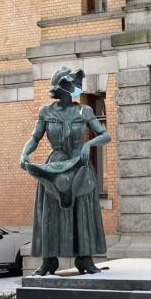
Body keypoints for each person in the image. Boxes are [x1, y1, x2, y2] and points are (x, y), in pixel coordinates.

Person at [20, 67, 110, 276]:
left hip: (80, 165)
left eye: (79, 85)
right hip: (56, 165)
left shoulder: (84, 111)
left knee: (82, 211)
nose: (78, 88)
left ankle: (85, 259)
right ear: (62, 88)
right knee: (51, 213)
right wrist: (24, 154)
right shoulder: (46, 112)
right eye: (74, 85)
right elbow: (35, 138)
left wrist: (88, 145)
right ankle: (49, 261)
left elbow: (105, 135)